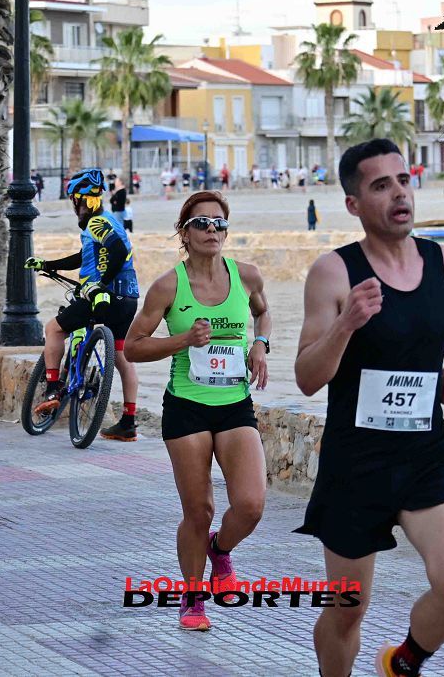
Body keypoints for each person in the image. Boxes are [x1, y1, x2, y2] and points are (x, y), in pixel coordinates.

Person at [294, 138, 444, 677]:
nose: (399, 194)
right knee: (348, 612)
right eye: (381, 185)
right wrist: (347, 324)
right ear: (354, 204)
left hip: (425, 454)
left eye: (404, 180)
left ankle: (402, 662)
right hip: (356, 463)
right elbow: (307, 377)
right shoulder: (333, 273)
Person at [124, 190, 271, 631]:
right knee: (199, 509)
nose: (212, 231)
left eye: (219, 223)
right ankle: (193, 598)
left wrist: (261, 345)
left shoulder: (246, 276)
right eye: (202, 224)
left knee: (250, 505)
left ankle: (220, 550)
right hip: (186, 405)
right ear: (184, 234)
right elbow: (132, 346)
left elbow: (264, 314)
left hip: (234, 404)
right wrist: (183, 341)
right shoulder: (169, 285)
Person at [25, 168, 141, 441]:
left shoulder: (97, 223)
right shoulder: (110, 220)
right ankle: (128, 421)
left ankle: (53, 387)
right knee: (122, 357)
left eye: (74, 201)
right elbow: (84, 256)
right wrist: (48, 264)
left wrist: (101, 284)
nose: (75, 208)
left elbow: (119, 251)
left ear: (80, 199)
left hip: (103, 297)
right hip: (129, 299)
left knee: (54, 329)